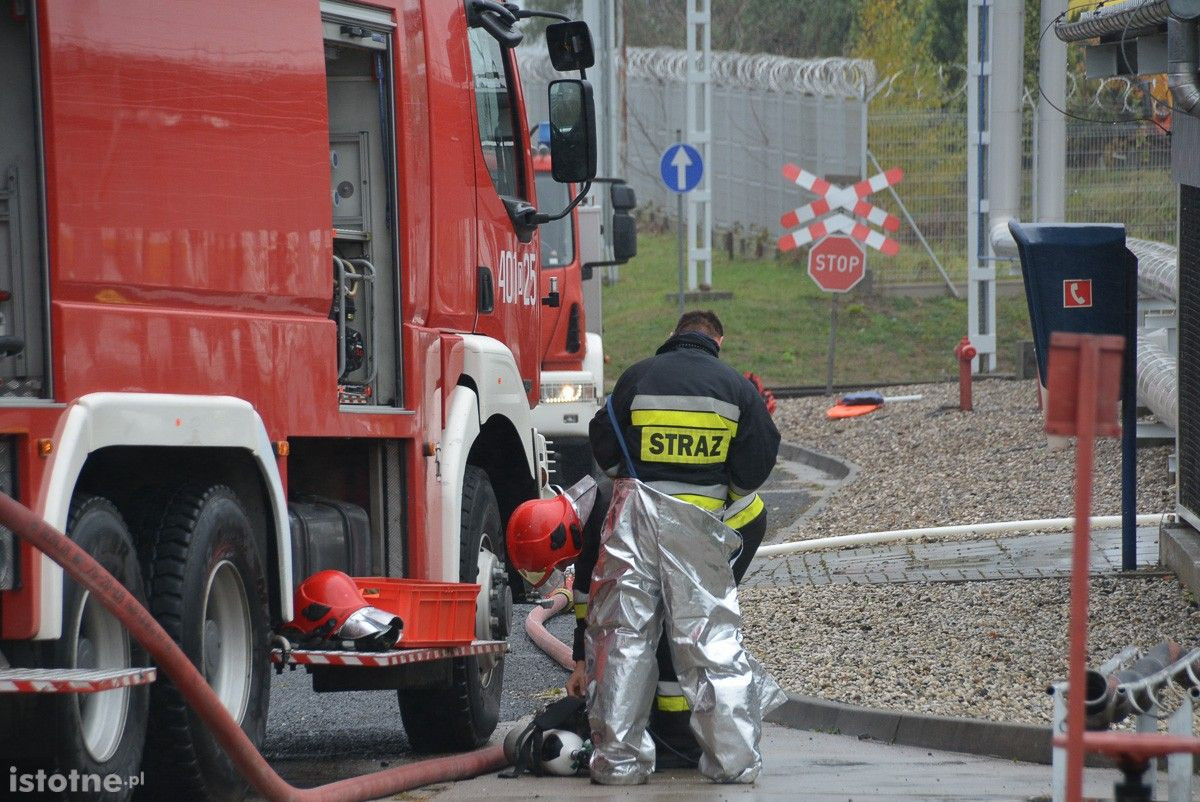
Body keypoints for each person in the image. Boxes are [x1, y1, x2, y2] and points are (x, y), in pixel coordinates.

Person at [567, 310, 783, 785]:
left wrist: (635, 478)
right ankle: (733, 761)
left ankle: (619, 763)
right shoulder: (736, 388)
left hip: (635, 523)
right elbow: (758, 459)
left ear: (674, 335)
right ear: (717, 341)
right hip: (699, 526)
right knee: (710, 642)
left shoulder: (637, 377)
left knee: (623, 639)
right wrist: (722, 487)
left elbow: (604, 441)